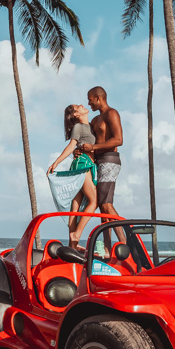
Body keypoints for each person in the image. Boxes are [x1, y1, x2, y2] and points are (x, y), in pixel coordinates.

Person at [47, 103, 98, 249]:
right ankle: (76, 235)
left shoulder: (90, 126)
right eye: (78, 106)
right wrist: (56, 163)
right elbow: (71, 145)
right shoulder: (79, 127)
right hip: (83, 164)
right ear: (76, 115)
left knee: (74, 208)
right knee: (94, 202)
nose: (83, 105)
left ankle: (72, 245)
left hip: (84, 164)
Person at [79, 86, 123, 221]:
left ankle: (126, 238)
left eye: (90, 99)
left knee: (106, 204)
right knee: (101, 206)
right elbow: (88, 142)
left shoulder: (112, 113)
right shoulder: (94, 120)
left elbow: (118, 140)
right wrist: (79, 150)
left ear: (98, 98)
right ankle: (107, 242)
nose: (88, 103)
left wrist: (93, 147)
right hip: (97, 161)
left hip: (110, 160)